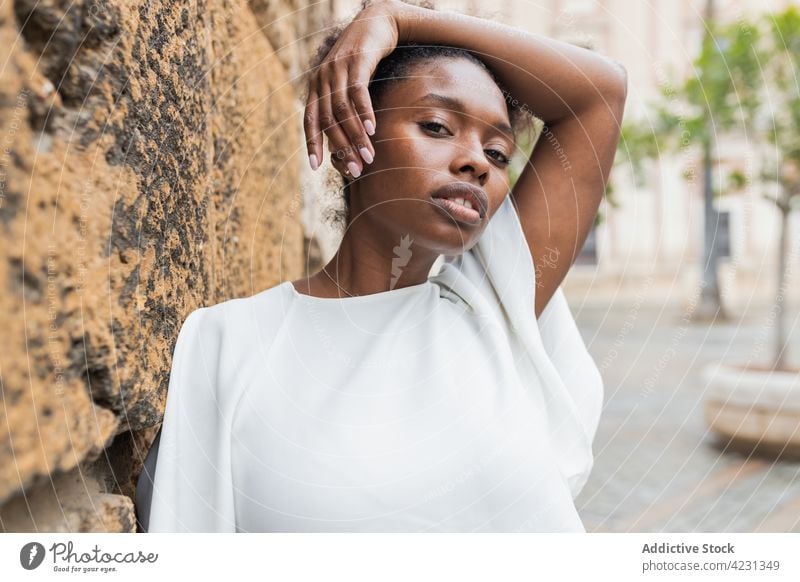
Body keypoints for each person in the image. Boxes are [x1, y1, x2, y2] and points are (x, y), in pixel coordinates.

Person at [136, 0, 626, 532]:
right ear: (352, 134)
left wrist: (397, 18)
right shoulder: (229, 343)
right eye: (438, 126)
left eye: (499, 152)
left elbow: (599, 94)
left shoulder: (491, 310)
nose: (477, 161)